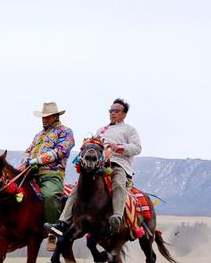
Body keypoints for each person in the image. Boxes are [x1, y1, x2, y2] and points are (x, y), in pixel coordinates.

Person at [46, 98, 141, 236]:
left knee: (118, 184)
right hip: (99, 164)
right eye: (111, 110)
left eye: (116, 111)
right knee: (77, 188)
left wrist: (118, 147)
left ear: (124, 114)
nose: (112, 113)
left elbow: (137, 148)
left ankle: (117, 217)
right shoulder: (101, 130)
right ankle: (62, 223)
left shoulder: (129, 130)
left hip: (118, 164)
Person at [19, 102, 75, 232]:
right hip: (29, 172)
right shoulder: (38, 135)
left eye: (48, 117)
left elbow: (61, 151)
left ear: (56, 116)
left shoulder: (66, 132)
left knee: (50, 196)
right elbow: (28, 150)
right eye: (43, 117)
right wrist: (26, 159)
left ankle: (54, 230)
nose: (44, 120)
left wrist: (37, 160)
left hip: (51, 174)